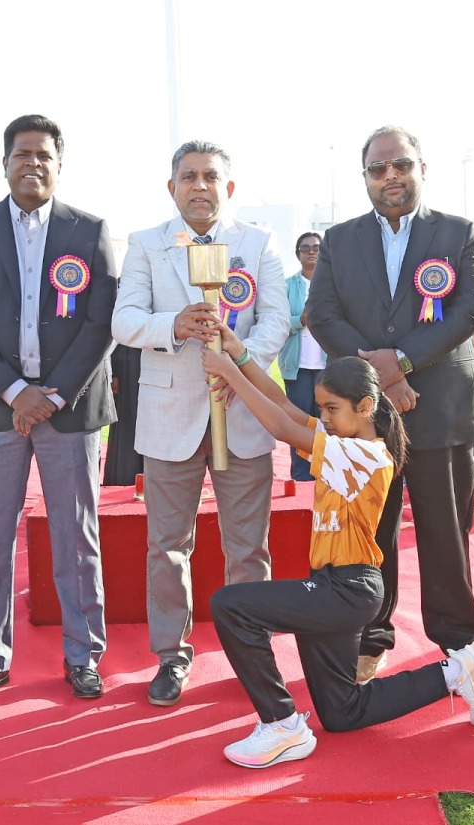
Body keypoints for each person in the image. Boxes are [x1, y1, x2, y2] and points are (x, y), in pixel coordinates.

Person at [203, 331, 474, 769]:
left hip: (347, 589)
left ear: (366, 407)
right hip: (334, 588)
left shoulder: (366, 456)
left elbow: (282, 427)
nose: (324, 417)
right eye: (322, 408)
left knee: (230, 605)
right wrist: (239, 355)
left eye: (331, 408)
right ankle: (456, 670)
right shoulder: (343, 441)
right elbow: (284, 406)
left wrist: (227, 372)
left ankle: (282, 724)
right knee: (342, 712)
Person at [305, 125, 474, 687]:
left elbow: (472, 308)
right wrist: (378, 374)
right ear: (364, 176)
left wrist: (401, 363)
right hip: (366, 419)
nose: (390, 176)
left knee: (445, 534)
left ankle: (461, 642)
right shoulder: (338, 241)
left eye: (400, 165)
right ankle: (370, 637)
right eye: (378, 168)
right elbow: (322, 314)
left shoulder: (459, 233)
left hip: (442, 407)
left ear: (421, 169)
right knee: (369, 535)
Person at [111, 139, 288, 706]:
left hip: (242, 413)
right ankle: (171, 656)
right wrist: (175, 324)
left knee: (248, 547)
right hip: (169, 418)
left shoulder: (258, 244)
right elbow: (125, 320)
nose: (200, 186)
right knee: (167, 545)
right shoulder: (145, 245)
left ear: (228, 188)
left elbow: (275, 320)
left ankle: (251, 653)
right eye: (188, 176)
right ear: (172, 187)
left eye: (211, 176)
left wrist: (236, 367)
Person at [0, 114, 117, 703]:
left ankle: (84, 654)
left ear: (59, 163)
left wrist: (52, 393)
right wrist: (16, 392)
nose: (33, 163)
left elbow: (100, 323)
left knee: (77, 537)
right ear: (5, 162)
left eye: (44, 154)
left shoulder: (90, 231)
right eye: (23, 154)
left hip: (67, 409)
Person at [278, 232, 327, 482]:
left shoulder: (334, 284)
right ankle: (300, 475)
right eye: (305, 248)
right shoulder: (286, 286)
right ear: (297, 254)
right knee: (299, 424)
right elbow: (275, 323)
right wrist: (301, 321)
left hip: (328, 368)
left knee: (328, 423)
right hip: (296, 367)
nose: (311, 251)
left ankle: (326, 473)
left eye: (316, 247)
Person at [101, 344, 144, 487]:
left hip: (160, 357)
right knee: (127, 419)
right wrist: (114, 371)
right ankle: (124, 478)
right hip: (128, 361)